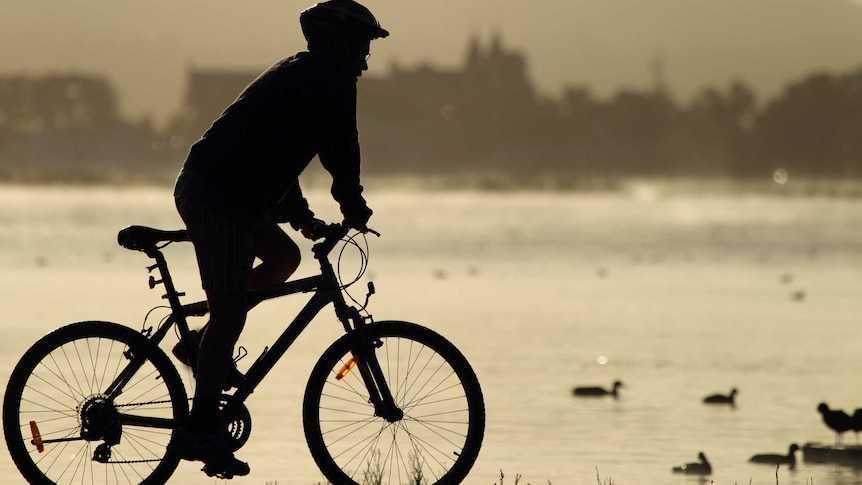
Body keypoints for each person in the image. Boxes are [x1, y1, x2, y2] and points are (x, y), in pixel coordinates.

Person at [171, 0, 388, 478]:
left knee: (285, 257)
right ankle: (200, 427)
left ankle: (200, 345)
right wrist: (352, 204)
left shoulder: (305, 74)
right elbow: (340, 148)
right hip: (217, 195)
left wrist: (303, 217)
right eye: (364, 47)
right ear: (342, 43)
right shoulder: (328, 78)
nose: (367, 60)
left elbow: (275, 154)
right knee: (229, 312)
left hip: (232, 194)